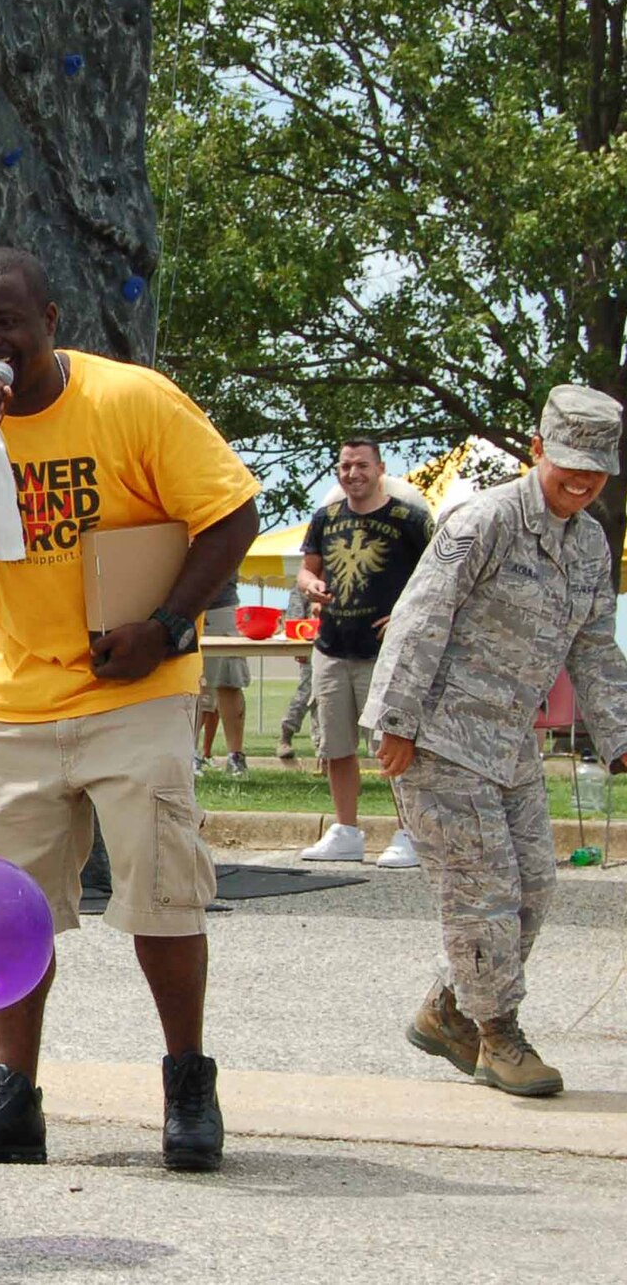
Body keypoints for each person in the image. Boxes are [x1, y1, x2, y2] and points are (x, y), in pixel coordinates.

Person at [0, 248, 260, 1172]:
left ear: (51, 318)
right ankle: (13, 1099)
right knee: (9, 913)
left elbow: (233, 513)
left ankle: (186, 1086)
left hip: (134, 688)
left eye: (7, 321)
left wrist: (169, 627)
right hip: (11, 698)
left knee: (162, 890)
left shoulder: (134, 400)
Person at [366, 387, 627, 1098]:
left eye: (596, 469)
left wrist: (621, 739)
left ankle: (450, 1009)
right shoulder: (484, 520)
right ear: (537, 450)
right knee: (483, 892)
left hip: (508, 744)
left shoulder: (591, 543)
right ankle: (499, 1036)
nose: (582, 481)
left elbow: (597, 649)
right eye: (568, 463)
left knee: (535, 887)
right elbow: (421, 615)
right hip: (439, 735)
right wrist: (394, 722)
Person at [296, 439, 433, 868]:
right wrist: (308, 585)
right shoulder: (325, 518)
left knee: (391, 746)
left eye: (361, 466)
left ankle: (409, 832)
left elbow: (437, 575)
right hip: (333, 645)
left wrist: (406, 615)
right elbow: (308, 567)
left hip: (385, 653)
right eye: (345, 465)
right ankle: (346, 831)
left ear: (380, 469)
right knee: (336, 745)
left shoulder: (409, 519)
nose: (352, 474)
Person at [195, 574, 249, 776]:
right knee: (194, 684)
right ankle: (191, 754)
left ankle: (236, 757)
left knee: (230, 680)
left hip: (222, 605)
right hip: (183, 604)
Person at [276, 587, 314, 762]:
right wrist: (298, 642)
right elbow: (294, 617)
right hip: (311, 645)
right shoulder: (302, 586)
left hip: (342, 646)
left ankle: (323, 748)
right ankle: (286, 735)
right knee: (307, 692)